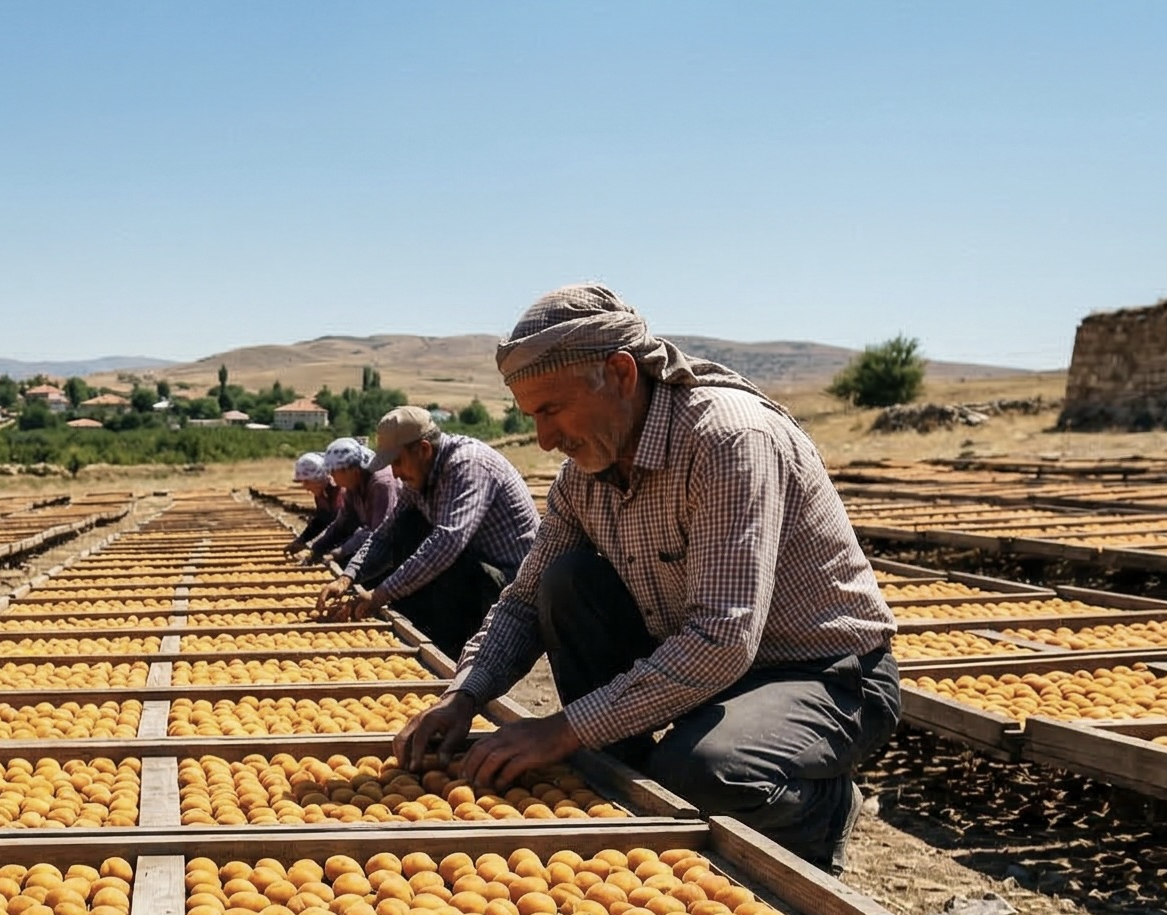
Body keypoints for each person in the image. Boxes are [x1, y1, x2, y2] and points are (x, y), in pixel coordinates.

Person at [393, 284, 898, 871]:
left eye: (551, 410)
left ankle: (822, 809)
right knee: (565, 581)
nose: (545, 439)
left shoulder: (728, 441)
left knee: (703, 771)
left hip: (823, 674)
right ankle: (629, 783)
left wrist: (561, 731)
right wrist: (465, 693)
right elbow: (524, 600)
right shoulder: (585, 474)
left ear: (620, 373)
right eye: (533, 417)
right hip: (709, 669)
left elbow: (723, 637)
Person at [316, 406, 539, 657]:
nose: (396, 473)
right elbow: (386, 531)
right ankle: (422, 631)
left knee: (433, 548)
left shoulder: (467, 465)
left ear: (423, 449)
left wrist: (380, 594)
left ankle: (450, 651)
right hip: (473, 567)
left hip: (509, 583)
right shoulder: (420, 474)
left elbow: (447, 542)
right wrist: (348, 577)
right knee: (406, 526)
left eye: (398, 462)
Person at [293, 437, 395, 568]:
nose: (331, 476)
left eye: (333, 472)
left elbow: (378, 533)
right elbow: (342, 525)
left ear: (350, 470)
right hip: (378, 545)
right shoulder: (353, 485)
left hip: (397, 551)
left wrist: (338, 553)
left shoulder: (380, 484)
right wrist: (315, 550)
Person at [282, 452, 338, 557]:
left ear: (318, 478)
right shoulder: (321, 494)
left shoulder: (340, 492)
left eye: (307, 482)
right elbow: (320, 521)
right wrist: (301, 540)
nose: (305, 487)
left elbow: (342, 527)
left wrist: (312, 546)